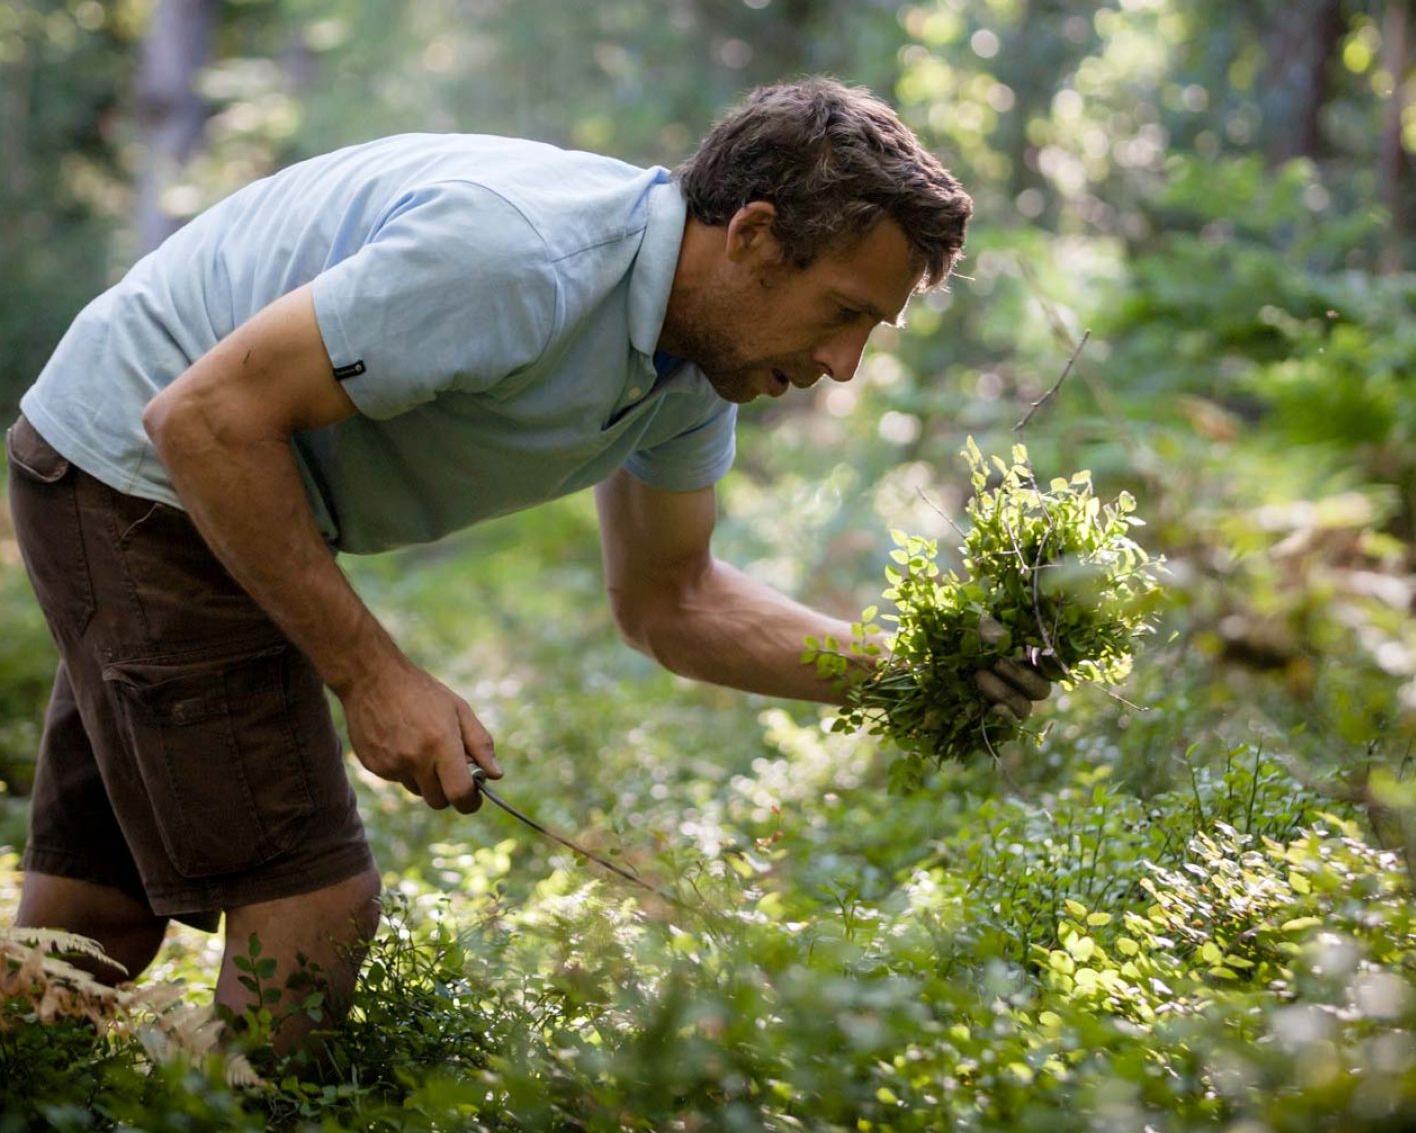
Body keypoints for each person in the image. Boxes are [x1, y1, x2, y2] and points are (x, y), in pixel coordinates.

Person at [5, 77, 1055, 1050]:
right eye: (843, 312)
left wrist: (923, 671)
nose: (842, 366)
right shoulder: (523, 259)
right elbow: (205, 416)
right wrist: (375, 678)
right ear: (754, 237)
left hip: (189, 463)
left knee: (94, 920)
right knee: (312, 908)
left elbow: (673, 599)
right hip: (145, 466)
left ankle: (43, 1082)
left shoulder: (696, 368)